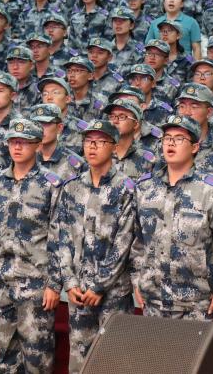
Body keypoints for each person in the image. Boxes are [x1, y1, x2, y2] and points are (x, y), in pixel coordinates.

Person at [51, 118, 135, 373]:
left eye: (100, 141)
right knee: (80, 361)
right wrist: (70, 282)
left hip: (113, 292)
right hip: (79, 290)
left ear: (114, 146)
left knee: (114, 361)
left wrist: (99, 285)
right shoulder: (71, 188)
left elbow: (124, 243)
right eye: (88, 141)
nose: (92, 147)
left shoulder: (126, 189)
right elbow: (62, 238)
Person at [0, 117, 63, 374]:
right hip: (2, 281)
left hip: (36, 283)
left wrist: (54, 283)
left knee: (37, 358)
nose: (17, 147)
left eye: (24, 142)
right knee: (6, 356)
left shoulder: (51, 185)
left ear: (37, 145)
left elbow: (59, 238)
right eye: (13, 142)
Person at [131, 114, 213, 320]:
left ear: (195, 147)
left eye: (179, 138)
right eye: (167, 138)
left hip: (196, 302)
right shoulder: (145, 188)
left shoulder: (210, 190)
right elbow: (138, 240)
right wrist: (136, 280)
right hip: (154, 298)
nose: (171, 143)